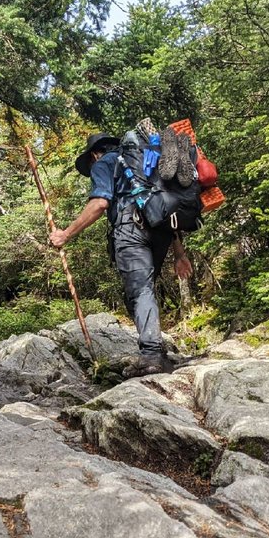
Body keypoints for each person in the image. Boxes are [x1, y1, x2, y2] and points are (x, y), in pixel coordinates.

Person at [49, 132, 192, 376]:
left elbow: (100, 204)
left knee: (139, 292)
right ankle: (157, 352)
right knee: (141, 292)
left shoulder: (104, 163)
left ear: (95, 154)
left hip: (130, 230)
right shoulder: (146, 164)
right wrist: (180, 254)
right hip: (162, 232)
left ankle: (151, 356)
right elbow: (163, 211)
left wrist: (66, 234)